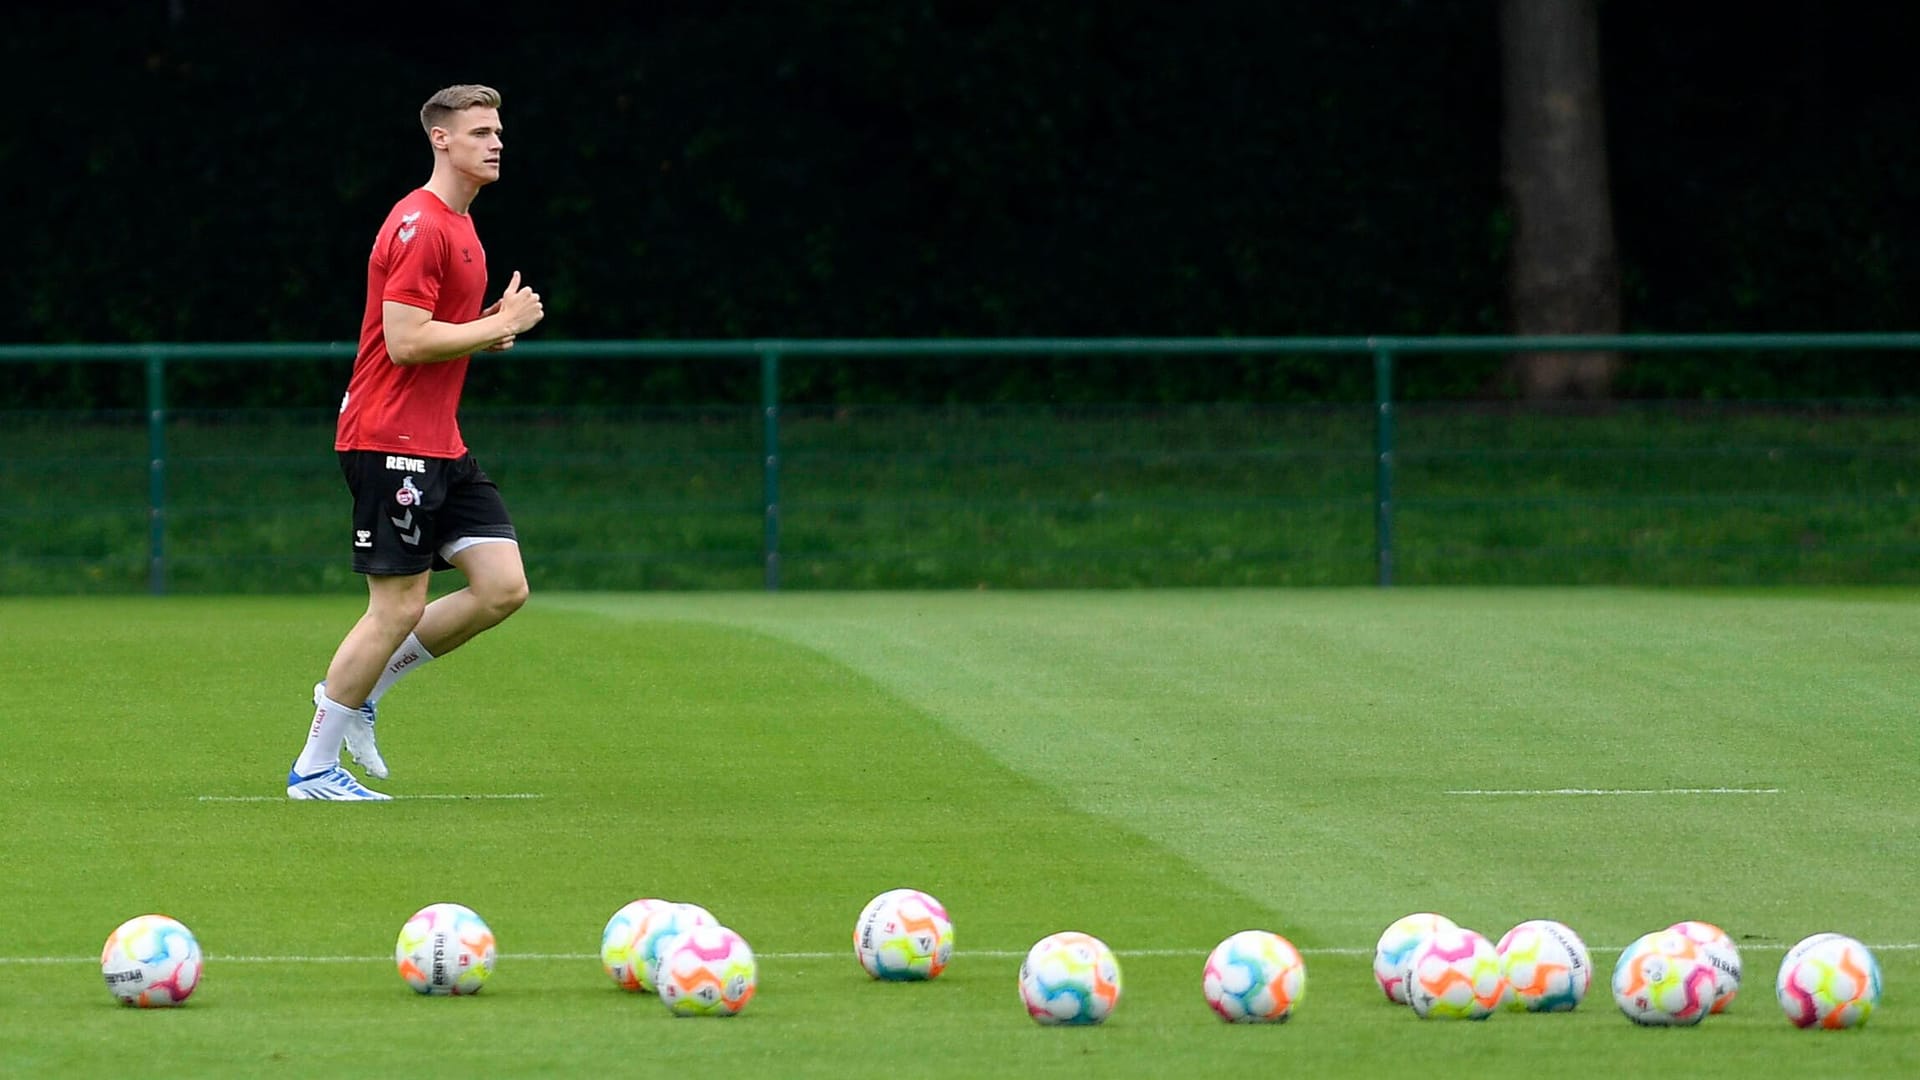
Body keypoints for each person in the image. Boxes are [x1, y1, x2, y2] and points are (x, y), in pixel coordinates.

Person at [288, 84, 545, 800]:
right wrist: (499, 327)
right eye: (480, 131)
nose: (496, 142)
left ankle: (363, 693)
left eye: (499, 130)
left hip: (441, 443)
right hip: (389, 440)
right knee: (396, 605)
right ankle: (313, 768)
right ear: (441, 139)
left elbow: (434, 336)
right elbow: (403, 343)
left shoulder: (463, 228)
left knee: (502, 587)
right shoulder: (421, 224)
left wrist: (483, 329)